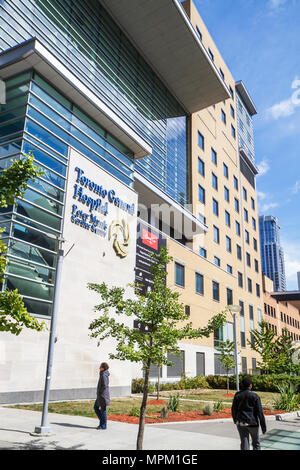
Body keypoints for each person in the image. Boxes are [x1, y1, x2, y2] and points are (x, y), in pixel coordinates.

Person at [231, 377, 266, 450]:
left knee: (244, 443)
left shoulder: (237, 395)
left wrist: (235, 420)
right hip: (253, 423)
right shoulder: (255, 396)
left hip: (241, 423)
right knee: (256, 443)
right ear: (250, 385)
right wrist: (263, 427)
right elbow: (260, 412)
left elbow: (233, 409)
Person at [94, 362, 110, 430]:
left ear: (103, 367)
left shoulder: (103, 374)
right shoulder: (102, 374)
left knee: (103, 410)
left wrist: (100, 392)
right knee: (96, 408)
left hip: (102, 396)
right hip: (100, 395)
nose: (99, 368)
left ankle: (103, 425)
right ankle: (102, 423)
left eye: (100, 366)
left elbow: (105, 385)